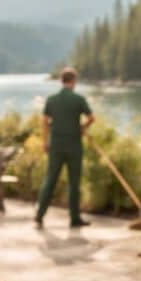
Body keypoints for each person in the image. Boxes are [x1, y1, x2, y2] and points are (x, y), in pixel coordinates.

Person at [35, 67, 94, 228]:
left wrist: (45, 142)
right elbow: (91, 118)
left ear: (62, 80)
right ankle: (74, 218)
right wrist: (83, 128)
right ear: (73, 81)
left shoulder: (52, 99)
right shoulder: (78, 99)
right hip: (74, 146)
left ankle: (39, 215)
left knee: (50, 179)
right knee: (74, 183)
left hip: (56, 146)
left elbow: (44, 122)